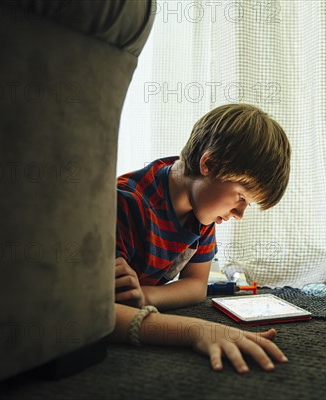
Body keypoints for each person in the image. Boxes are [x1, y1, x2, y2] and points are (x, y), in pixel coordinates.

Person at [110, 103, 292, 372]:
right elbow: (98, 307)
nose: (239, 213)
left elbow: (196, 286)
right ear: (209, 164)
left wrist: (145, 296)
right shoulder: (124, 204)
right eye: (241, 197)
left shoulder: (202, 209)